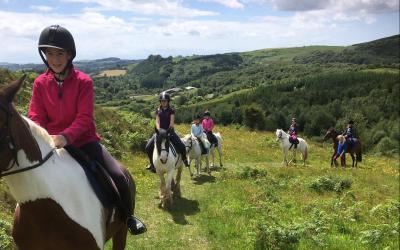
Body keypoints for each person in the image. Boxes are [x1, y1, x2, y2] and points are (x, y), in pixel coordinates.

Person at [28, 25, 145, 235]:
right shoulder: (39, 83)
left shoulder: (84, 81)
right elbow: (35, 116)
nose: (55, 59)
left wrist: (66, 136)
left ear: (70, 54)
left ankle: (128, 217)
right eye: (50, 53)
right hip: (51, 145)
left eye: (60, 53)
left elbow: (84, 118)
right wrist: (45, 137)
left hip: (84, 142)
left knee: (119, 177)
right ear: (44, 55)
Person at [145, 92, 189, 173]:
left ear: (168, 101)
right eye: (162, 101)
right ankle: (152, 164)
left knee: (182, 146)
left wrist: (167, 130)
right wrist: (159, 131)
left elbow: (171, 122)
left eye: (165, 101)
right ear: (160, 102)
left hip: (169, 132)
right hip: (160, 133)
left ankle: (184, 159)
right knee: (148, 147)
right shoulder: (158, 110)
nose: (163, 102)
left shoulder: (171, 110)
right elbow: (157, 121)